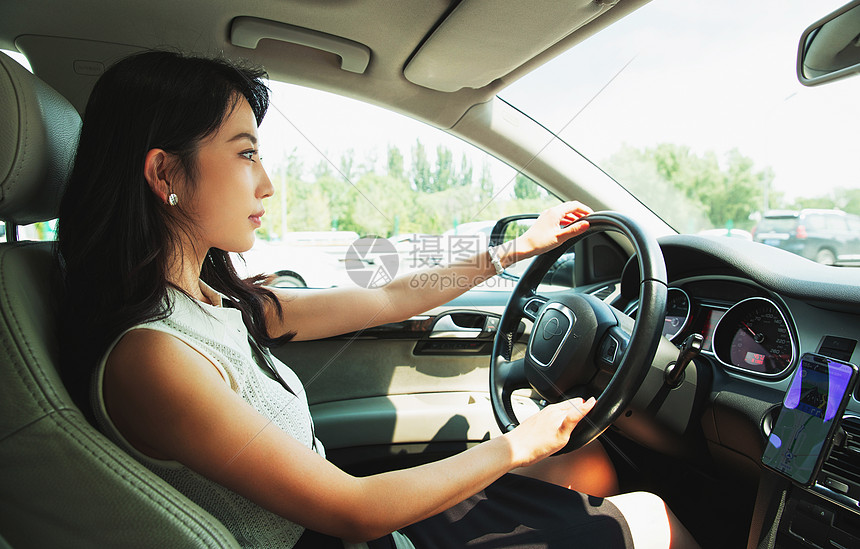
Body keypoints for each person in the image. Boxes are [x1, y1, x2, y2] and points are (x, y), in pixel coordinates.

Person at [57, 50, 699, 549]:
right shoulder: (153, 357)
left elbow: (390, 296)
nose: (268, 184)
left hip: (357, 527)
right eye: (246, 153)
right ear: (165, 173)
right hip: (352, 533)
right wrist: (517, 445)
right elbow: (351, 508)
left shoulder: (217, 302)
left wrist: (514, 250)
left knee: (588, 467)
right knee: (654, 520)